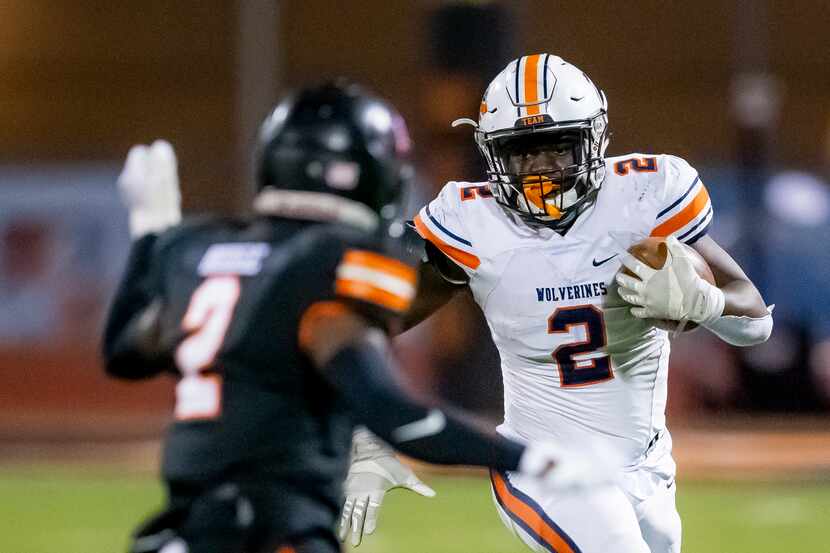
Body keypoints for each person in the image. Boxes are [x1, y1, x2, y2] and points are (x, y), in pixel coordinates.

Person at [102, 82, 614, 553]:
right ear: (363, 170)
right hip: (275, 531)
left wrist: (150, 233)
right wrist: (529, 459)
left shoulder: (195, 248)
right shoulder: (336, 260)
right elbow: (394, 414)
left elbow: (124, 352)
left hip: (177, 534)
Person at [339, 55, 774, 553]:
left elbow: (756, 321)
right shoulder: (470, 223)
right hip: (540, 465)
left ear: (593, 139)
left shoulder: (644, 197)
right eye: (524, 153)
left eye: (558, 149)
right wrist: (363, 419)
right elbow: (365, 328)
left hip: (647, 466)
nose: (542, 169)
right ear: (494, 156)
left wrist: (707, 302)